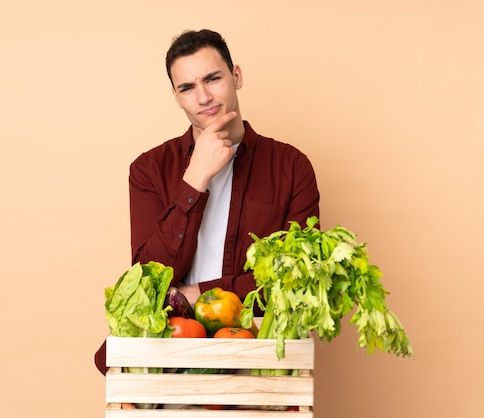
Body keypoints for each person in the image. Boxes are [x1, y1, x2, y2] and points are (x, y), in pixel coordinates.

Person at [95, 29, 320, 375]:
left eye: (213, 78)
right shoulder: (149, 170)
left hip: (259, 353)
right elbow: (146, 279)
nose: (203, 97)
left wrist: (197, 293)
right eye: (187, 87)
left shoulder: (291, 167)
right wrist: (194, 180)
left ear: (236, 76)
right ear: (176, 96)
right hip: (169, 352)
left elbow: (296, 280)